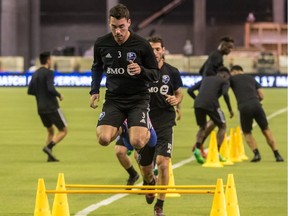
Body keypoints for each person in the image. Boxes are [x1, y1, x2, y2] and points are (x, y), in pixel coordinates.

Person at [89, 3, 159, 204]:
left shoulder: (141, 44)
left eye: (121, 26)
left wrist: (142, 71)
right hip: (114, 100)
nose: (117, 31)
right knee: (103, 139)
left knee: (138, 142)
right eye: (113, 27)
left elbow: (154, 74)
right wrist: (94, 90)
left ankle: (150, 179)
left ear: (129, 22)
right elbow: (96, 68)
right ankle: (122, 126)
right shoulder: (101, 43)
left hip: (138, 99)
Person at [115, 35, 183, 216]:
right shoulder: (140, 71)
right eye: (151, 49)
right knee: (145, 169)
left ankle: (159, 205)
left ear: (163, 50)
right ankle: (149, 182)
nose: (154, 52)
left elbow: (179, 93)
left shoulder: (172, 72)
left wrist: (176, 101)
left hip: (165, 123)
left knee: (163, 163)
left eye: (157, 49)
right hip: (145, 124)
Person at [229, 65, 284, 162]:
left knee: (247, 132)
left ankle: (256, 154)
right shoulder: (251, 78)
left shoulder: (232, 79)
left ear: (234, 71)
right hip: (256, 105)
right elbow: (261, 95)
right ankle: (277, 154)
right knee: (266, 129)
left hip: (244, 107)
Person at [27, 51, 67, 162]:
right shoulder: (49, 73)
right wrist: (59, 95)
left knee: (50, 131)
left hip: (40, 108)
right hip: (52, 107)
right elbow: (50, 88)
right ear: (48, 60)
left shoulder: (35, 73)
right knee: (63, 130)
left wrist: (40, 95)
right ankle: (48, 147)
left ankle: (50, 157)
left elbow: (30, 90)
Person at [192, 67, 234, 164]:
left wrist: (198, 100)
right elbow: (225, 93)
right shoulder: (225, 81)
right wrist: (230, 109)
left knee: (202, 127)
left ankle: (197, 149)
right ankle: (217, 152)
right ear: (225, 75)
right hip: (212, 104)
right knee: (222, 126)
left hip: (198, 104)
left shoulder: (206, 79)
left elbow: (190, 90)